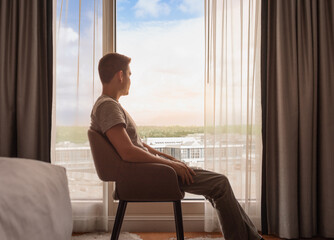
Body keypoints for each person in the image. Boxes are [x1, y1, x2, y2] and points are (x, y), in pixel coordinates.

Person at [90, 53, 263, 240]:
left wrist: (169, 159)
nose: (130, 80)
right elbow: (128, 152)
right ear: (120, 75)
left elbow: (136, 144)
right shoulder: (108, 107)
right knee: (219, 184)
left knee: (217, 185)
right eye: (130, 74)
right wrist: (172, 166)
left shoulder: (109, 105)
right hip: (148, 173)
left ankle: (251, 237)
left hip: (151, 168)